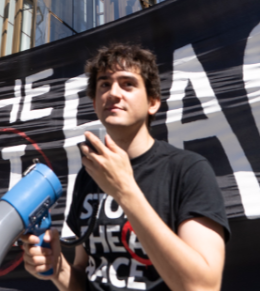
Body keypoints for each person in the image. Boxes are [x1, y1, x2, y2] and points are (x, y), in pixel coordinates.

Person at [22, 44, 229, 290]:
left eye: (127, 84)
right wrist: (58, 269)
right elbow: (84, 277)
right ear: (95, 102)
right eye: (104, 84)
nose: (113, 93)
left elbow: (203, 287)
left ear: (153, 102)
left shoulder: (188, 170)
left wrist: (125, 191)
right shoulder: (88, 176)